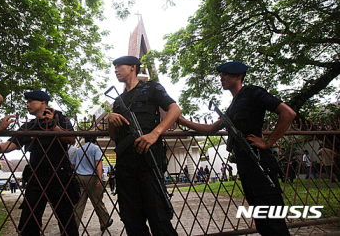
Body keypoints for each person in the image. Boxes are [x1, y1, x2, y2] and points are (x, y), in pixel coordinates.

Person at [178, 61, 296, 236]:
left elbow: (288, 113)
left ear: (238, 76)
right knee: (262, 222)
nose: (221, 78)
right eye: (221, 75)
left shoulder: (253, 93)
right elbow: (211, 129)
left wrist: (268, 142)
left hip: (260, 163)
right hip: (246, 166)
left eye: (226, 74)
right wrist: (181, 120)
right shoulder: (233, 105)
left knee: (273, 222)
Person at [108, 56, 180, 236]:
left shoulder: (152, 87)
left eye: (119, 66)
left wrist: (155, 133)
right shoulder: (119, 100)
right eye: (114, 67)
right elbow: (113, 137)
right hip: (125, 166)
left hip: (149, 162)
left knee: (159, 219)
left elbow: (174, 109)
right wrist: (110, 118)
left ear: (133, 67)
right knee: (131, 221)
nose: (116, 70)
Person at [0, 90, 79, 235]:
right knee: (28, 223)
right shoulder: (29, 126)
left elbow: (71, 139)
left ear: (43, 102)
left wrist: (52, 126)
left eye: (31, 101)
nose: (27, 104)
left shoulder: (59, 118)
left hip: (59, 175)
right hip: (35, 177)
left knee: (66, 221)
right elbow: (9, 146)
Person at [73, 136, 113, 231]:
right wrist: (100, 178)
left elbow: (74, 164)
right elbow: (98, 162)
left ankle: (73, 227)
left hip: (79, 176)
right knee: (97, 201)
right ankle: (105, 221)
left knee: (79, 204)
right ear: (95, 140)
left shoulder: (79, 150)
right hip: (92, 177)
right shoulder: (95, 148)